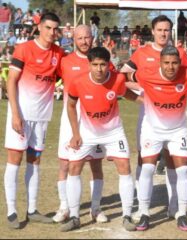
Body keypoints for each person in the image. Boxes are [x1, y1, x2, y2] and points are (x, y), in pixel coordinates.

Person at [121, 15, 187, 223]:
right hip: (149, 113)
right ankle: (143, 207)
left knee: (173, 159)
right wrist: (144, 92)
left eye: (167, 30)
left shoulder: (179, 53)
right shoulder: (142, 53)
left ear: (171, 32)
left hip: (174, 115)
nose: (163, 33)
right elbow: (123, 76)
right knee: (146, 160)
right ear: (152, 31)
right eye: (160, 30)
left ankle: (174, 205)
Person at [60, 47, 138, 232]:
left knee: (124, 166)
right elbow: (71, 106)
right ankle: (74, 216)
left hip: (113, 132)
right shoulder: (78, 82)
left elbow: (126, 93)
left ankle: (127, 215)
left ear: (109, 65)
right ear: (89, 65)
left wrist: (147, 103)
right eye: (95, 65)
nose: (99, 69)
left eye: (103, 64)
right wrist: (76, 133)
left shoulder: (117, 79)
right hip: (87, 132)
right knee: (74, 167)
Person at [133, 46, 187, 231]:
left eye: (174, 63)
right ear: (160, 62)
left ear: (180, 63)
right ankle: (144, 213)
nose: (170, 67)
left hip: (177, 130)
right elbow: (123, 78)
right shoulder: (145, 74)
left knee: (182, 171)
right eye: (166, 63)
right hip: (152, 129)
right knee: (147, 168)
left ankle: (181, 214)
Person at [4, 12, 65, 229]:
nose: (52, 33)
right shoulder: (24, 49)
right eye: (48, 28)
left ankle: (32, 209)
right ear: (39, 27)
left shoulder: (59, 53)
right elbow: (11, 81)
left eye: (55, 29)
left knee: (35, 161)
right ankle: (12, 210)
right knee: (14, 159)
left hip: (42, 118)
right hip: (21, 115)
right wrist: (16, 114)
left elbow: (63, 76)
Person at [52, 25, 113, 224]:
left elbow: (114, 82)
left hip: (94, 116)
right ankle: (65, 207)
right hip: (70, 114)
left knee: (95, 163)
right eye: (80, 38)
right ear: (73, 39)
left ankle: (95, 208)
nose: (84, 41)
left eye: (87, 37)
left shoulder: (101, 60)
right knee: (65, 163)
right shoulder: (65, 61)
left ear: (92, 37)